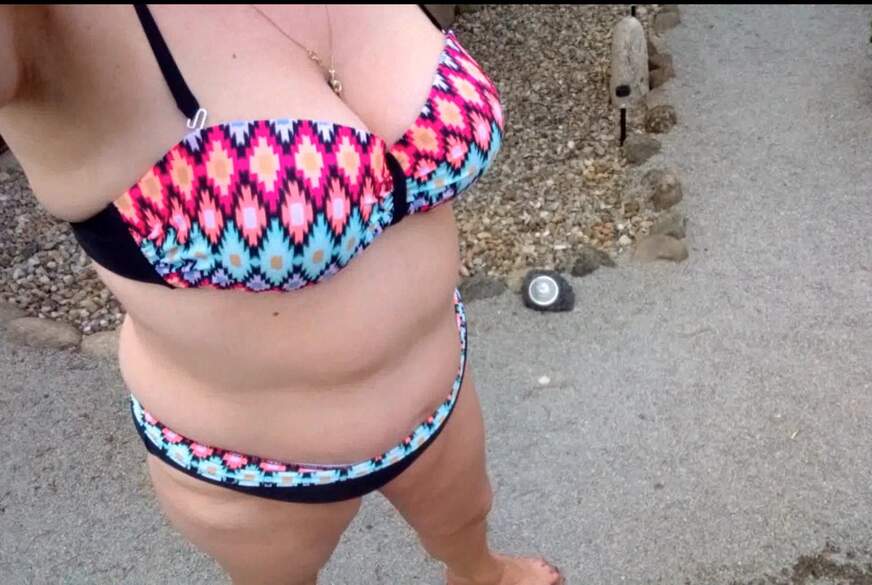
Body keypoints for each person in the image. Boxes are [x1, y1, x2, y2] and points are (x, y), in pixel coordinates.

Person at [0, 5, 563, 584]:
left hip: (441, 388)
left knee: (466, 519)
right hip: (253, 472)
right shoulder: (44, 28)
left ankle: (480, 575)